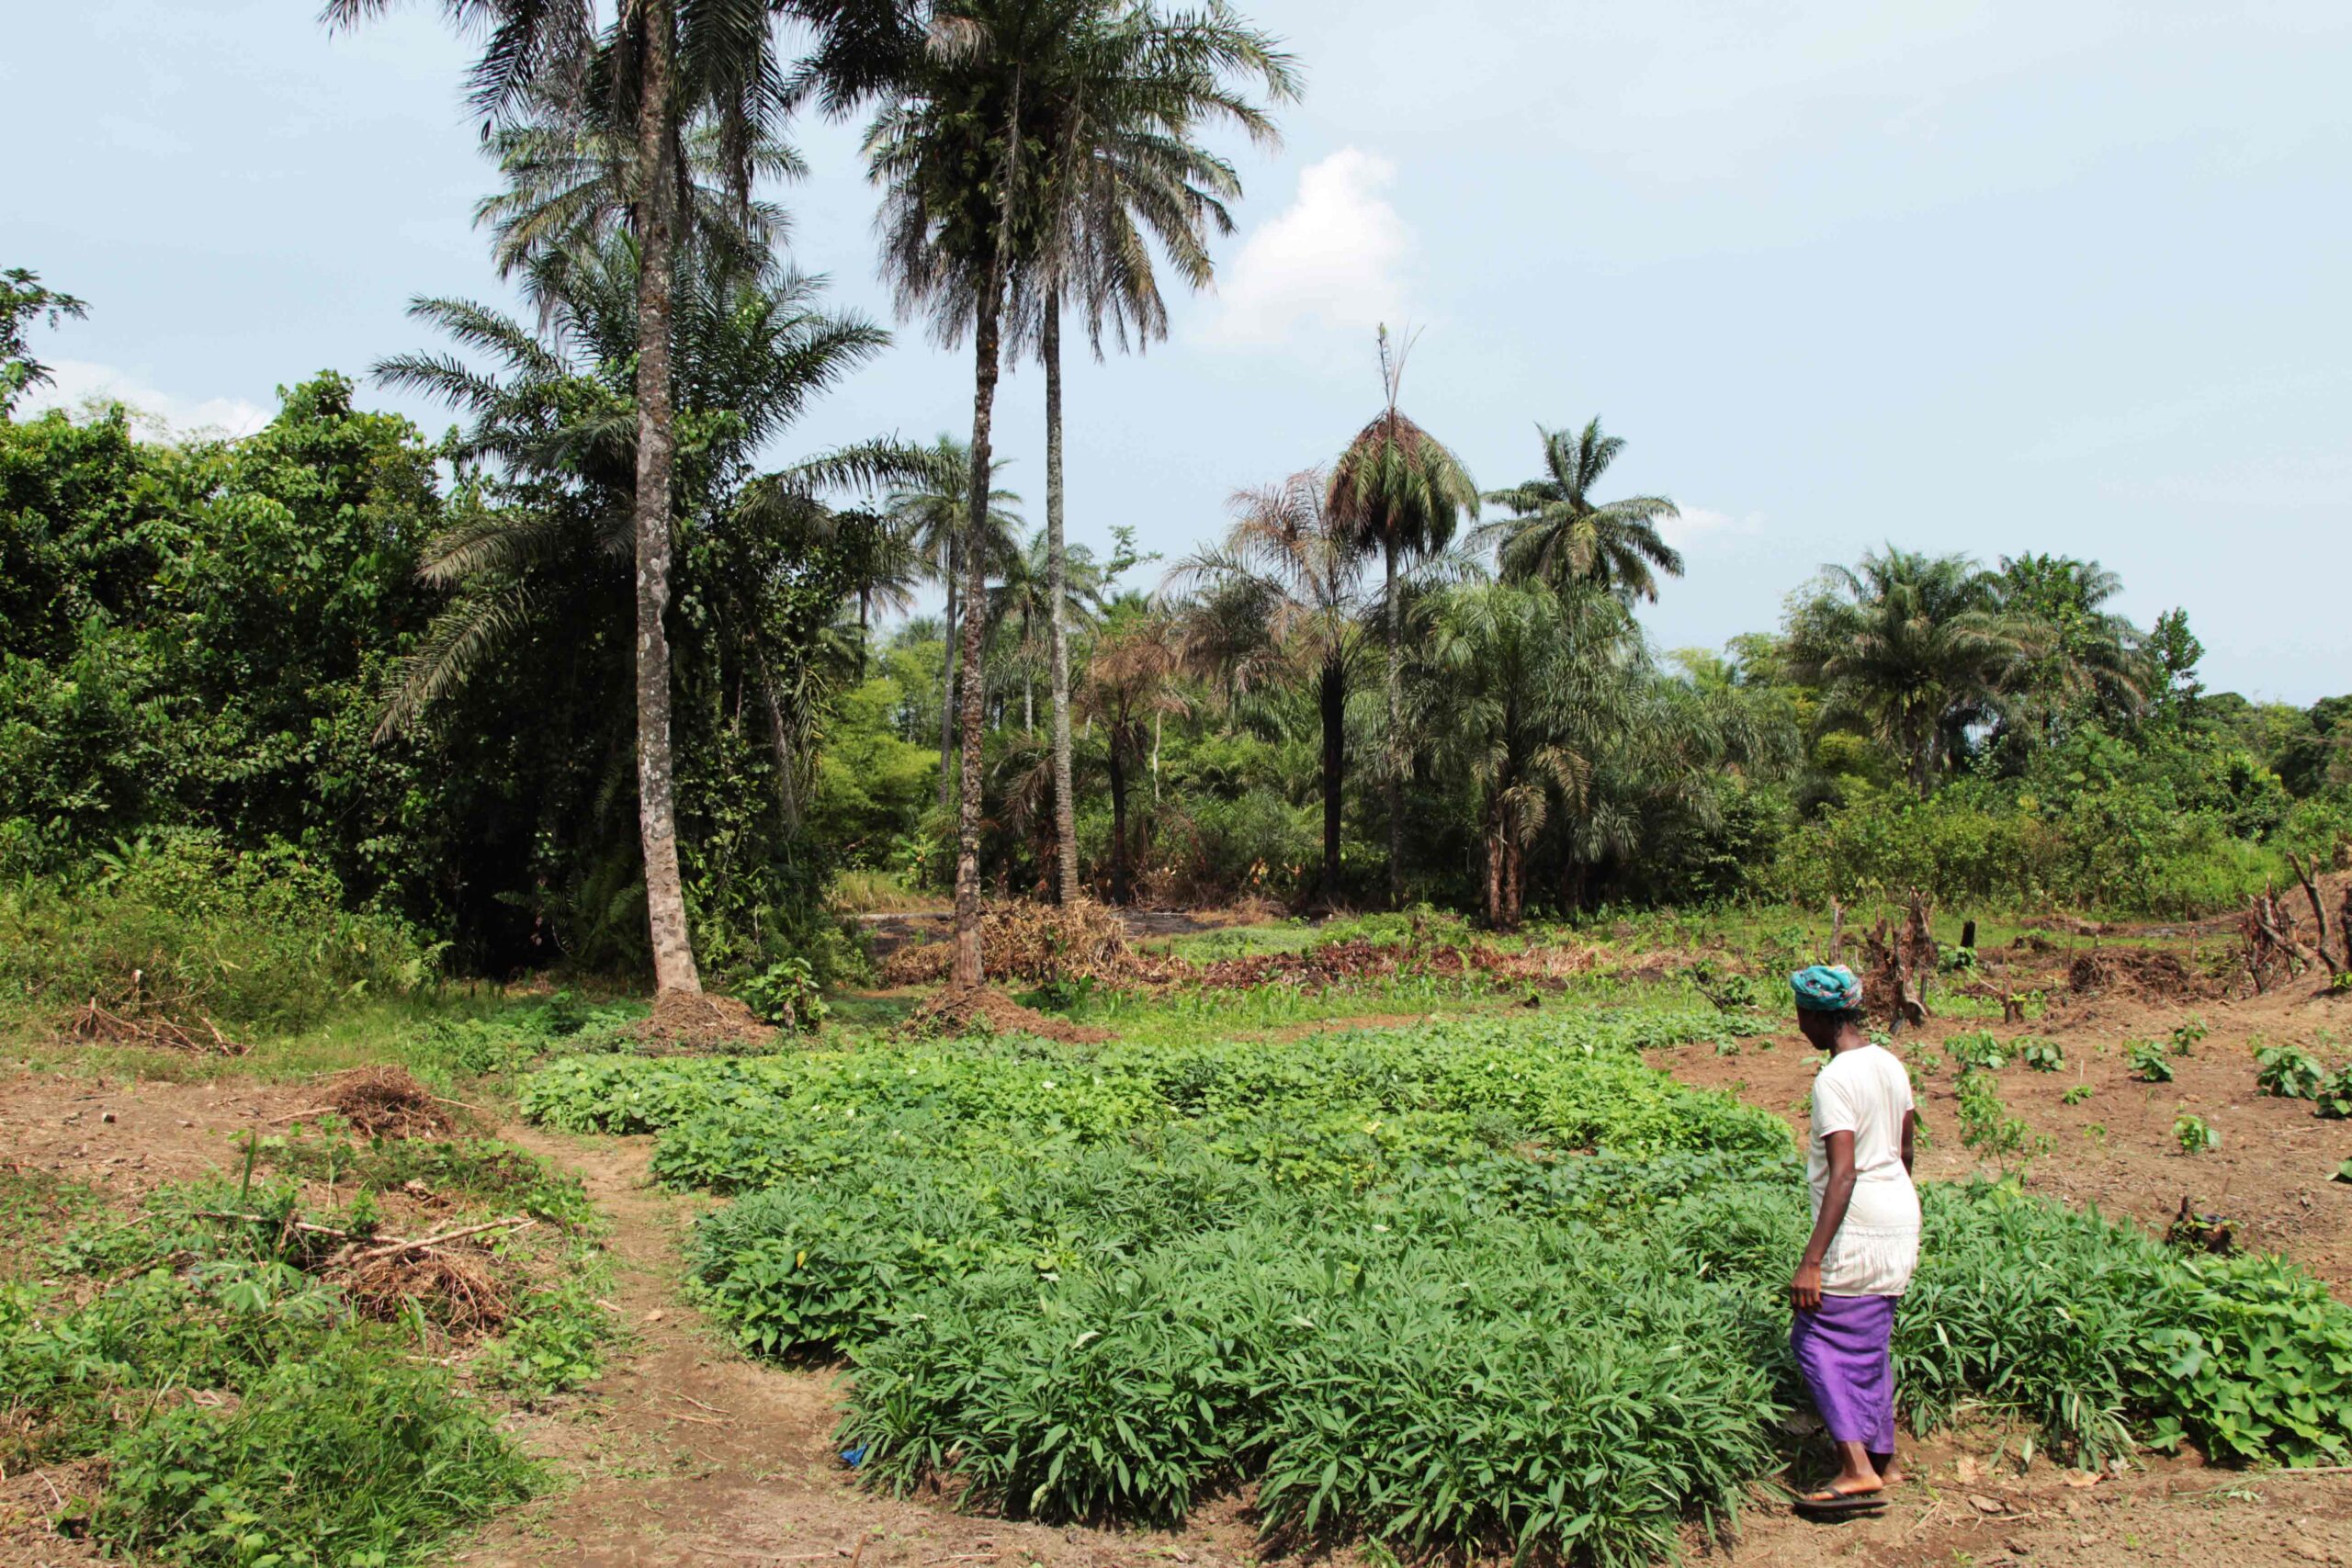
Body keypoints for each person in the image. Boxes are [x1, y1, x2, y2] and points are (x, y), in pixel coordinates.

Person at [1785, 963, 1919, 1511]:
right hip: (1900, 1217)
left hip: (1857, 1225)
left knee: (1813, 1339)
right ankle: (1879, 1453)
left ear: (1819, 1016)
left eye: (1800, 1015)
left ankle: (1856, 1468)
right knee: (1866, 1340)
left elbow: (1844, 1171)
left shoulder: (1834, 1079)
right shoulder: (1890, 1063)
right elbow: (1907, 1150)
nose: (1799, 1026)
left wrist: (1812, 1260)